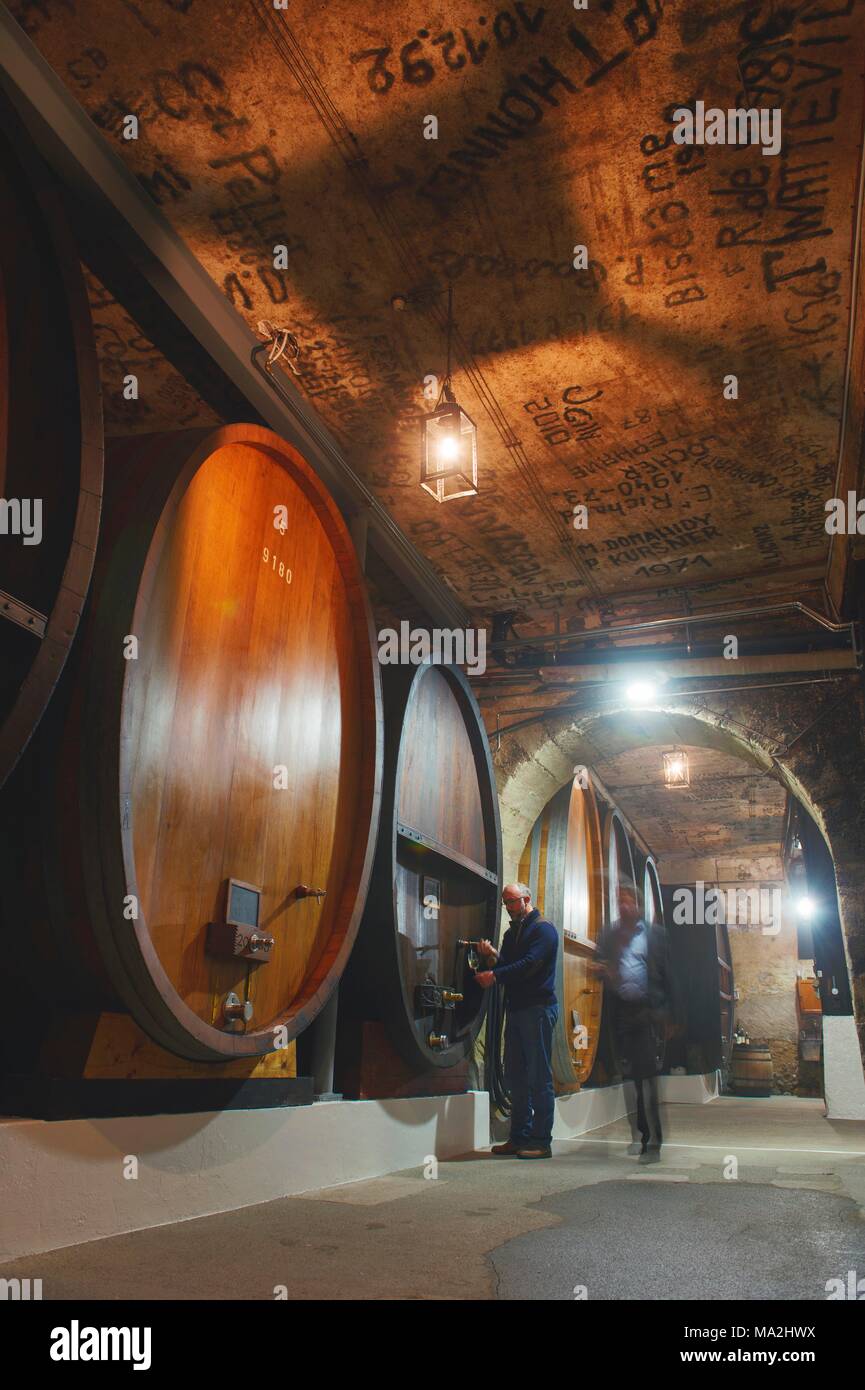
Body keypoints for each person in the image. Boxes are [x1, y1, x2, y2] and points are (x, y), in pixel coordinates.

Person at [475, 883, 558, 1159]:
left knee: (539, 1076)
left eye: (512, 902)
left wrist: (496, 976)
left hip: (538, 1009)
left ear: (527, 899)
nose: (509, 907)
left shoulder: (544, 930)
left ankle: (541, 1141)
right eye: (506, 903)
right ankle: (519, 1137)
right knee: (515, 1076)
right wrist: (491, 958)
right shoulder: (513, 932)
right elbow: (506, 964)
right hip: (518, 1009)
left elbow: (529, 964)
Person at [591, 885, 673, 1164]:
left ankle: (654, 1141)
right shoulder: (611, 934)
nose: (623, 907)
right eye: (619, 902)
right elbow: (598, 962)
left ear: (638, 905)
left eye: (628, 902)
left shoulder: (655, 935)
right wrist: (602, 970)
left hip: (647, 1013)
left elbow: (669, 975)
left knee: (647, 1078)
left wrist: (670, 1014)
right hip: (622, 1013)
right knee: (631, 1081)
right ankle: (640, 1134)